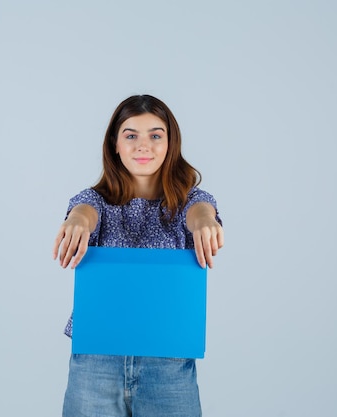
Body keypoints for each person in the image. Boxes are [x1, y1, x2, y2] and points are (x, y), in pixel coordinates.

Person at [52, 94, 224, 417]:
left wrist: (204, 219)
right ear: (115, 144)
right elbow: (85, 211)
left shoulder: (188, 202)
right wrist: (77, 220)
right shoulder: (96, 200)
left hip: (167, 363)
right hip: (96, 362)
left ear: (170, 144)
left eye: (155, 135)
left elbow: (200, 210)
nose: (143, 145)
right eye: (131, 135)